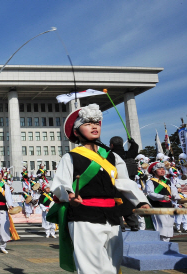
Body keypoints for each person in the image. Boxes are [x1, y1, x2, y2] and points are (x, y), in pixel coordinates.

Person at [48, 103, 150, 273]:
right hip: (83, 216)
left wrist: (140, 202)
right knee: (90, 268)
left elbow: (125, 182)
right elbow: (60, 183)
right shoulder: (70, 157)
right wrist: (70, 195)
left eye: (96, 122)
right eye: (87, 123)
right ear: (76, 132)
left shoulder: (113, 156)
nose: (94, 126)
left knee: (113, 265)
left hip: (112, 217)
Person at [110, 136, 140, 232]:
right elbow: (135, 148)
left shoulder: (110, 155)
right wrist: (133, 142)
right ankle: (134, 225)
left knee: (117, 205)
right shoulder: (129, 154)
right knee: (129, 204)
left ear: (111, 145)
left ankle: (120, 226)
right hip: (129, 184)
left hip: (116, 184)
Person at [145, 161, 179, 241]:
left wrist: (179, 200)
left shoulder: (168, 181)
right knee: (161, 226)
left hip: (169, 206)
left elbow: (174, 192)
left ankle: (166, 244)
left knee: (169, 226)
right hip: (158, 206)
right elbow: (150, 194)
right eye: (159, 169)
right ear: (154, 171)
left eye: (163, 169)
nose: (162, 170)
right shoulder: (150, 181)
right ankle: (161, 244)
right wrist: (162, 197)